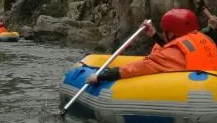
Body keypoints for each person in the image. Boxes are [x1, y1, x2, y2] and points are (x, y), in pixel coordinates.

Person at [86, 8, 217, 84]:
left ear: (171, 33)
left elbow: (134, 68)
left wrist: (99, 77)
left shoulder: (165, 57)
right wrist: (154, 35)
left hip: (194, 92)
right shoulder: (205, 39)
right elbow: (178, 48)